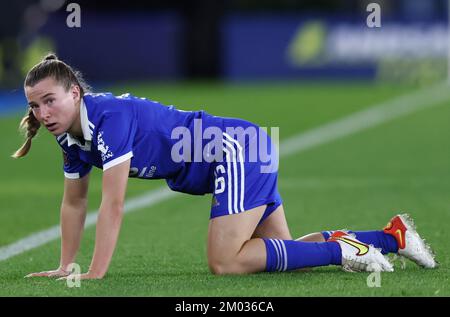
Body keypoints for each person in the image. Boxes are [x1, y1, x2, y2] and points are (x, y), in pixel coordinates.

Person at [14, 54, 436, 280]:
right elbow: (74, 204)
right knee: (282, 257)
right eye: (35, 104)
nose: (43, 112)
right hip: (240, 151)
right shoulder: (71, 137)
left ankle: (345, 251)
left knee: (226, 262)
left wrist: (94, 273)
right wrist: (66, 265)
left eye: (51, 100)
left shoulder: (107, 118)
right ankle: (390, 237)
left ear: (75, 93)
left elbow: (114, 203)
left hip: (235, 152)